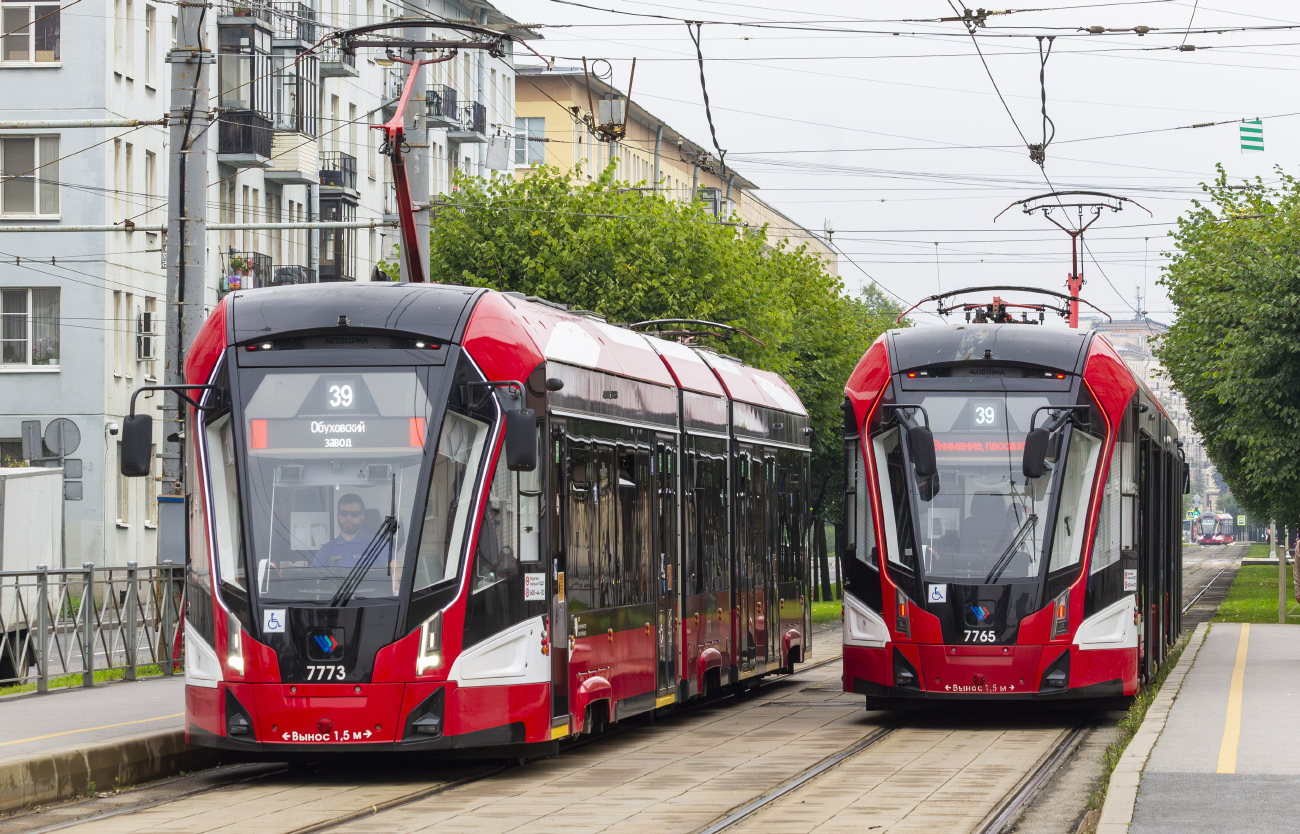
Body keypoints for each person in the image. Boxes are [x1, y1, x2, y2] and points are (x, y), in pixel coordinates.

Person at [312, 494, 387, 569]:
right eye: (344, 513)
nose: (349, 518)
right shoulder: (326, 550)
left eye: (354, 514)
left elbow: (394, 570)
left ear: (362, 516)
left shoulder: (378, 544)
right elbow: (314, 578)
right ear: (338, 515)